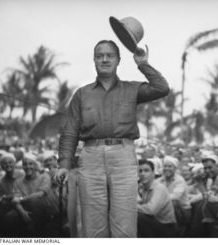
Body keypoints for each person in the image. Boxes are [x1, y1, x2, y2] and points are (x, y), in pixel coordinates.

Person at [56, 40, 169, 237]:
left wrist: (142, 64)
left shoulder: (132, 89)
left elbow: (161, 88)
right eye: (100, 56)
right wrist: (64, 164)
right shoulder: (82, 94)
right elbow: (70, 131)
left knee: (124, 225)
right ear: (94, 60)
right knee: (93, 226)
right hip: (90, 157)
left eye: (110, 55)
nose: (105, 59)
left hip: (123, 157)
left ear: (118, 60)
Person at [137, 159, 176, 237]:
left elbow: (151, 210)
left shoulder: (159, 188)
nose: (143, 174)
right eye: (140, 171)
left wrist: (131, 207)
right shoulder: (142, 187)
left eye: (146, 171)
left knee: (138, 217)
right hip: (155, 222)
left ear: (153, 173)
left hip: (166, 227)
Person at [158, 156, 191, 236]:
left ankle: (177, 231)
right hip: (166, 208)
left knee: (173, 202)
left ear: (175, 168)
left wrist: (157, 198)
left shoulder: (179, 180)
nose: (167, 168)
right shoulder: (160, 180)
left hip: (183, 211)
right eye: (165, 166)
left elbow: (175, 196)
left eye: (170, 166)